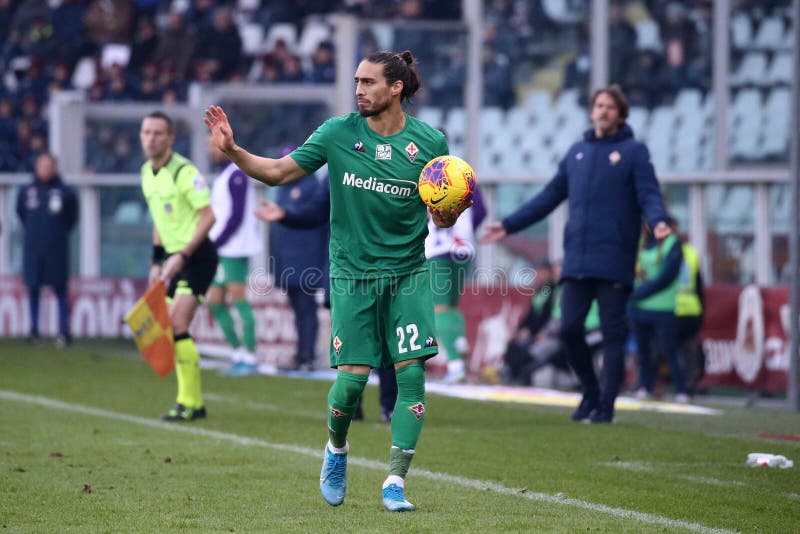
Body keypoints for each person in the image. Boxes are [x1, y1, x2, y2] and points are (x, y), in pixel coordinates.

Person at [206, 50, 466, 511]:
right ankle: (337, 449)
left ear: (396, 88)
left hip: (407, 273)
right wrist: (233, 151)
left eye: (368, 82)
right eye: (357, 81)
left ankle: (394, 482)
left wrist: (448, 213)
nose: (359, 90)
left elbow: (439, 217)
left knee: (411, 377)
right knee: (350, 385)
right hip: (351, 273)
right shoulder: (337, 133)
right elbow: (280, 172)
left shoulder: (431, 142)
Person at [481, 85, 671, 424]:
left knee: (613, 334)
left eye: (610, 107)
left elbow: (649, 194)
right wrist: (508, 225)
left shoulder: (633, 152)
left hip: (614, 259)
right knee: (568, 329)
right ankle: (590, 393)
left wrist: (657, 221)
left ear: (621, 114)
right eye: (598, 105)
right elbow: (548, 198)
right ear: (591, 111)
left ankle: (606, 407)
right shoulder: (577, 153)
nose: (603, 111)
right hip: (577, 260)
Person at [256, 177, 397, 422]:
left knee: (384, 336)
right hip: (343, 266)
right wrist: (286, 214)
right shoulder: (338, 166)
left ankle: (389, 405)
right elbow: (316, 211)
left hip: (385, 262)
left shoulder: (390, 163)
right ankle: (353, 404)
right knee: (348, 340)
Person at [140, 110, 218, 422]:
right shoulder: (147, 172)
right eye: (146, 132)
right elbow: (159, 220)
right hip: (172, 260)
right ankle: (191, 402)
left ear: (170, 138)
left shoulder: (184, 172)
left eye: (158, 133)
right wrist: (157, 261)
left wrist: (182, 256)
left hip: (196, 257)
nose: (151, 138)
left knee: (177, 323)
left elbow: (209, 217)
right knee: (171, 328)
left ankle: (190, 403)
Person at [267, 146, 329, 372]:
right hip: (287, 262)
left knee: (306, 309)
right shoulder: (283, 188)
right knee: (298, 309)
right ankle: (301, 354)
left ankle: (308, 356)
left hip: (307, 261)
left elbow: (315, 221)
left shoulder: (312, 185)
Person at [206, 136, 262, 376]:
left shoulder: (237, 174)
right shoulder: (224, 174)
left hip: (235, 248)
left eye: (213, 146)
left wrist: (216, 241)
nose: (210, 150)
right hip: (222, 248)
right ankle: (238, 352)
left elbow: (236, 216)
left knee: (239, 299)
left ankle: (250, 356)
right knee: (215, 301)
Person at [15, 152, 78, 347]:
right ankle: (33, 330)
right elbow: (21, 214)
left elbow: (72, 218)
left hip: (57, 249)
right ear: (36, 167)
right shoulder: (26, 191)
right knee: (33, 288)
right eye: (42, 165)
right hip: (33, 248)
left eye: (49, 166)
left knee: (60, 289)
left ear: (55, 167)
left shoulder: (66, 192)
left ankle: (63, 331)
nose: (45, 169)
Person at [426, 185, 486, 383]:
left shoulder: (427, 179)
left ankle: (455, 365)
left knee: (440, 308)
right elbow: (481, 211)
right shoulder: (466, 180)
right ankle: (459, 340)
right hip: (463, 249)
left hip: (438, 250)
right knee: (452, 304)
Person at [629, 223, 688, 402]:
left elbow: (667, 276)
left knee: (668, 349)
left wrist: (638, 293)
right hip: (640, 307)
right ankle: (645, 386)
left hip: (664, 307)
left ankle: (681, 389)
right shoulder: (640, 242)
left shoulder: (673, 244)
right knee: (643, 351)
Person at [670, 217, 705, 395]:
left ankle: (684, 385)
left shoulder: (666, 252)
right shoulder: (691, 253)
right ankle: (686, 384)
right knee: (686, 351)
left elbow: (698, 284)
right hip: (689, 308)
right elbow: (699, 285)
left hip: (677, 308)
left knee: (677, 351)